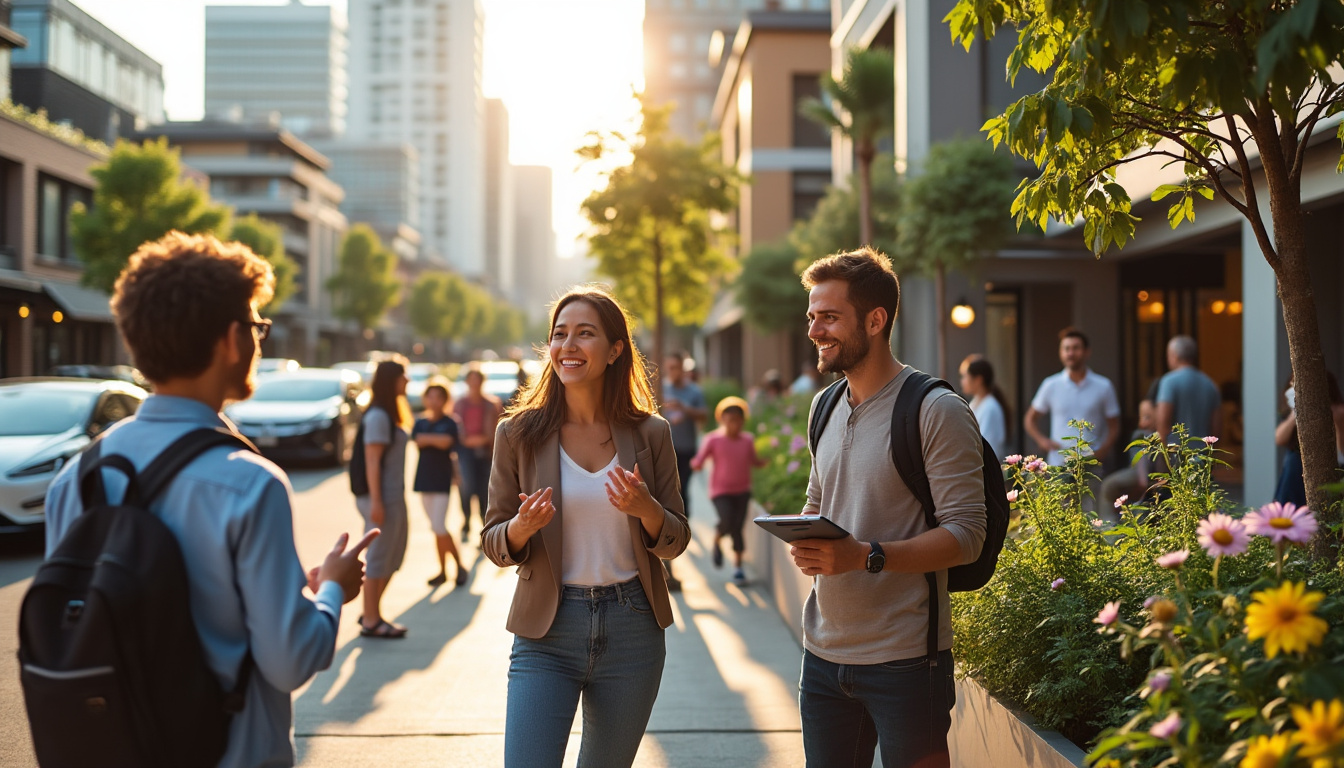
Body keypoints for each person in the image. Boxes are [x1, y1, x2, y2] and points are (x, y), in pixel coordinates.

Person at [43, 232, 375, 767]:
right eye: (256, 326)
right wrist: (332, 590)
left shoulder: (75, 478)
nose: (260, 340)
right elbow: (290, 660)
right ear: (229, 339)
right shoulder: (249, 483)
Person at [787, 247, 987, 768]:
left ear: (876, 320)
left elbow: (967, 535)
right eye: (812, 316)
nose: (814, 330)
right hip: (823, 657)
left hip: (907, 663)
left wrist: (863, 557)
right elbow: (818, 501)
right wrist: (803, 532)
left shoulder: (935, 409)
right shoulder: (825, 405)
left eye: (828, 317)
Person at [481, 286, 690, 768]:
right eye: (559, 334)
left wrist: (647, 509)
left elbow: (676, 538)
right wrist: (520, 528)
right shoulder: (517, 434)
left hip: (633, 626)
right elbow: (493, 540)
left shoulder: (650, 433)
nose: (567, 345)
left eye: (585, 334)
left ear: (616, 350)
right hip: (546, 633)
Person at [356, 357, 413, 639]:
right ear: (392, 379)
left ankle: (371, 611)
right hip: (382, 498)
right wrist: (377, 501)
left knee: (393, 553)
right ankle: (371, 619)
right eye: (404, 375)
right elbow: (372, 461)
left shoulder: (388, 413)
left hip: (392, 495)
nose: (408, 381)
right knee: (379, 556)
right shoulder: (378, 415)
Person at [690, 396, 768, 586]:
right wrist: (696, 464)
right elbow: (699, 459)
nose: (735, 424)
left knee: (737, 528)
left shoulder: (747, 440)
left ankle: (738, 569)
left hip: (742, 491)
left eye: (738, 420)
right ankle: (717, 539)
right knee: (727, 521)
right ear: (722, 419)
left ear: (743, 421)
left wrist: (764, 462)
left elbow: (753, 460)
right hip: (720, 491)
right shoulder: (713, 439)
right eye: (730, 419)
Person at [1024, 328, 1121, 467]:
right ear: (1060, 352)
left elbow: (1114, 426)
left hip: (1091, 466)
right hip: (1058, 466)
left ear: (1087, 352)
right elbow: (1030, 419)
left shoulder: (1104, 386)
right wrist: (1042, 441)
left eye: (1076, 348)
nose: (1070, 353)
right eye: (1066, 348)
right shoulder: (1051, 384)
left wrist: (1103, 451)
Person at [412, 381, 467, 588]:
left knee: (439, 526)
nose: (434, 401)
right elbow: (418, 440)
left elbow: (447, 442)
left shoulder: (450, 422)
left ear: (445, 400)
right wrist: (434, 439)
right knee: (436, 529)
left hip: (442, 480)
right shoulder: (420, 422)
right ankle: (443, 571)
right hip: (424, 480)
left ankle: (459, 567)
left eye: (438, 397)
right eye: (430, 396)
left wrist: (430, 440)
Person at [660, 350, 706, 592]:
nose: (672, 372)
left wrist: (684, 409)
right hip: (664, 452)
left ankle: (679, 530)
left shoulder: (694, 391)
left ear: (682, 368)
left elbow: (705, 416)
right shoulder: (660, 389)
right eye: (670, 368)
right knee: (666, 498)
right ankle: (669, 560)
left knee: (682, 496)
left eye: (676, 367)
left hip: (686, 451)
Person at [1274, 371, 1344, 506]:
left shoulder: (1338, 413)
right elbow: (1279, 439)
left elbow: (1341, 454)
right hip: (1296, 470)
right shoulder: (1291, 414)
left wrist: (1338, 423)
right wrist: (1295, 414)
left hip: (1329, 468)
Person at [455, 364, 502, 543]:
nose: (474, 384)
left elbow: (498, 428)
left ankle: (484, 527)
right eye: (471, 380)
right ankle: (466, 520)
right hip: (465, 451)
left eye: (478, 380)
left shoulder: (491, 404)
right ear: (467, 382)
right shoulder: (460, 404)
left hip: (486, 451)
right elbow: (456, 428)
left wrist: (484, 440)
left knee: (485, 489)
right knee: (466, 487)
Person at [1155, 335, 1222, 445]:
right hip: (1203, 456)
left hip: (1178, 455)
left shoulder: (1168, 382)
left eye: (1168, 355)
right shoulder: (1210, 384)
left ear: (1174, 356)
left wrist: (1165, 455)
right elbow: (1217, 429)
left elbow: (1162, 423)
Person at [1099, 398, 1158, 515]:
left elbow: (1142, 477)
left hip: (1141, 477)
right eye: (1140, 418)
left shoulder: (1141, 435)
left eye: (1147, 417)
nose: (1142, 423)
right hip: (1152, 479)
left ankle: (1107, 529)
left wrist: (1142, 485)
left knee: (1107, 486)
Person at [959, 354, 1010, 459]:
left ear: (978, 379)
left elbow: (989, 447)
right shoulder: (975, 403)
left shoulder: (990, 408)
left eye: (965, 376)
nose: (962, 381)